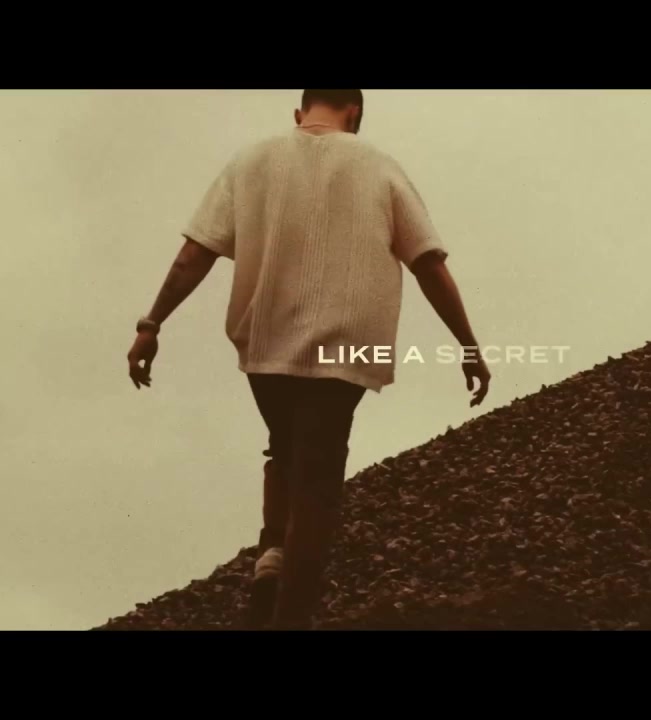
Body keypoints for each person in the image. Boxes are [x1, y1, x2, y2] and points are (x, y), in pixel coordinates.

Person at [125, 89, 490, 630]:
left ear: (299, 113)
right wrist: (468, 345)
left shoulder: (250, 161)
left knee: (285, 444)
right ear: (355, 113)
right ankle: (291, 615)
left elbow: (193, 254)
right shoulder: (380, 166)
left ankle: (273, 551)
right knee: (319, 477)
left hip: (266, 343)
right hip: (346, 347)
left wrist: (151, 325)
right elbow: (428, 263)